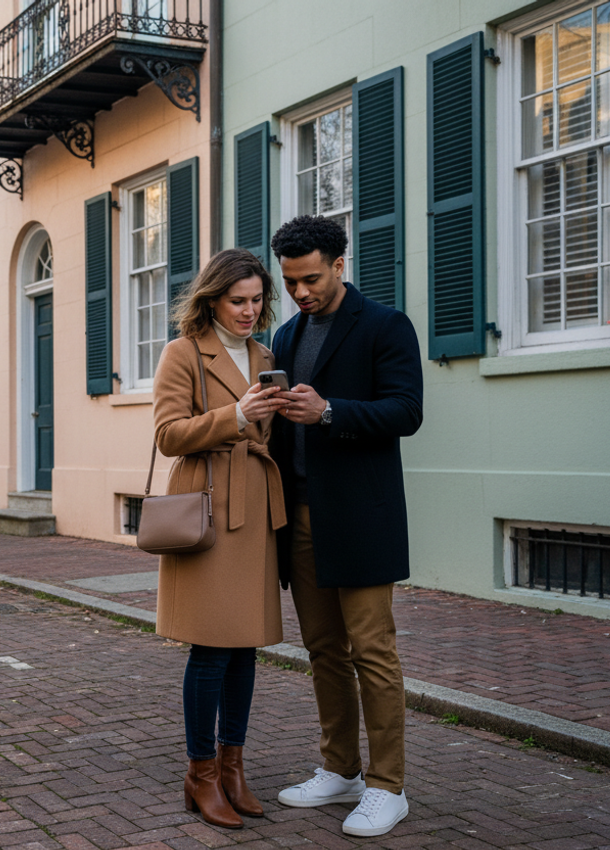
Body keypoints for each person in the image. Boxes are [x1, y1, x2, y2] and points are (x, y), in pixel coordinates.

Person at [267, 215, 423, 838]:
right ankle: (341, 770)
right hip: (299, 515)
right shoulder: (283, 334)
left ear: (338, 264)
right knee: (323, 650)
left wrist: (330, 411)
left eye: (309, 279)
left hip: (361, 515)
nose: (300, 293)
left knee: (373, 651)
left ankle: (389, 787)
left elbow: (407, 411)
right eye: (290, 282)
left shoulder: (386, 325)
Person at [153, 248, 288, 830]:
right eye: (238, 301)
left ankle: (234, 767)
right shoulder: (182, 353)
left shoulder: (266, 355)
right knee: (210, 649)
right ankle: (200, 773)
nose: (249, 311)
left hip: (255, 508)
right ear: (212, 298)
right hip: (208, 511)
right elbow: (168, 434)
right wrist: (236, 416)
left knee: (246, 646)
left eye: (258, 300)